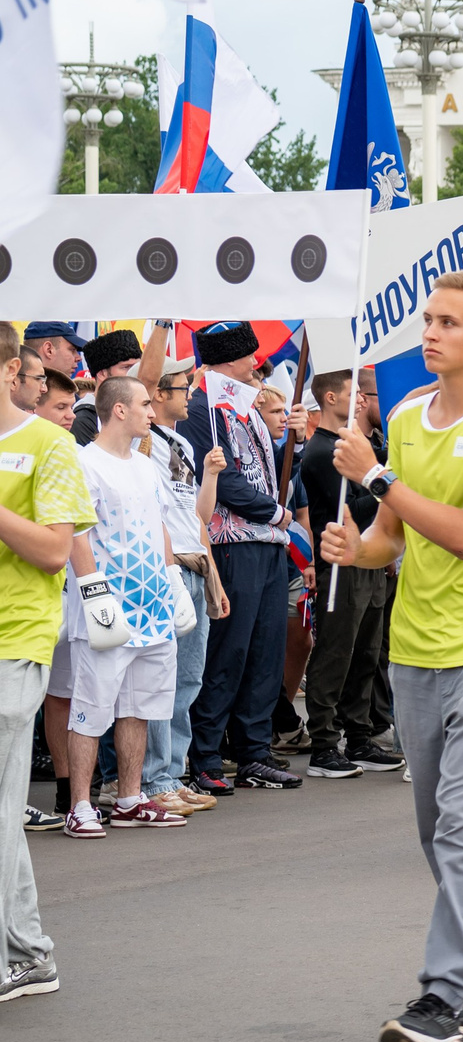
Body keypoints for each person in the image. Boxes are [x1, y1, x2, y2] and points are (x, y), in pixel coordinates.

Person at [320, 270, 463, 1042]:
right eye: (427, 319)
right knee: (440, 833)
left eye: (448, 322)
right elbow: (394, 535)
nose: (430, 332)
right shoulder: (410, 417)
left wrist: (376, 474)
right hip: (416, 646)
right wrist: (360, 546)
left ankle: (440, 1000)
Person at [0, 322, 89, 1001]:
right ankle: (30, 952)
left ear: (8, 372)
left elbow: (56, 550)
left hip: (15, 639)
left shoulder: (49, 445)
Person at [53, 377, 183, 835]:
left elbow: (160, 525)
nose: (153, 411)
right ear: (120, 410)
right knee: (91, 705)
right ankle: (81, 806)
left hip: (152, 606)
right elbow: (76, 532)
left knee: (138, 707)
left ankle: (129, 798)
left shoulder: (146, 465)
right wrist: (93, 593)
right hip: (108, 606)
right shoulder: (84, 463)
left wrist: (172, 580)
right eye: (146, 403)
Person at [177, 322, 300, 794]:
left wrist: (294, 442)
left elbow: (266, 468)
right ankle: (205, 755)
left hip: (268, 543)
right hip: (231, 544)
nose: (257, 363)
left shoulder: (245, 403)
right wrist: (277, 512)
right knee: (228, 653)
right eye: (251, 355)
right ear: (229, 359)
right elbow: (224, 480)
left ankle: (254, 752)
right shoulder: (201, 407)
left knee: (265, 653)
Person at [296, 368, 396, 780]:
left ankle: (359, 736)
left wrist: (382, 484)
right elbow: (352, 508)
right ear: (330, 399)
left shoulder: (350, 447)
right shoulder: (323, 452)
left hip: (367, 558)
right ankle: (323, 742)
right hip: (339, 561)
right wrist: (390, 485)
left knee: (367, 653)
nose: (361, 400)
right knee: (336, 652)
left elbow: (368, 499)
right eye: (352, 393)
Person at [140, 364, 226, 816]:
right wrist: (162, 323)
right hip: (166, 569)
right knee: (162, 677)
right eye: (181, 389)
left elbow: (199, 517)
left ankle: (173, 771)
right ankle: (156, 778)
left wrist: (213, 575)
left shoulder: (185, 443)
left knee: (189, 679)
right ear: (156, 393)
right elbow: (145, 369)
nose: (189, 396)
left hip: (195, 565)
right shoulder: (145, 441)